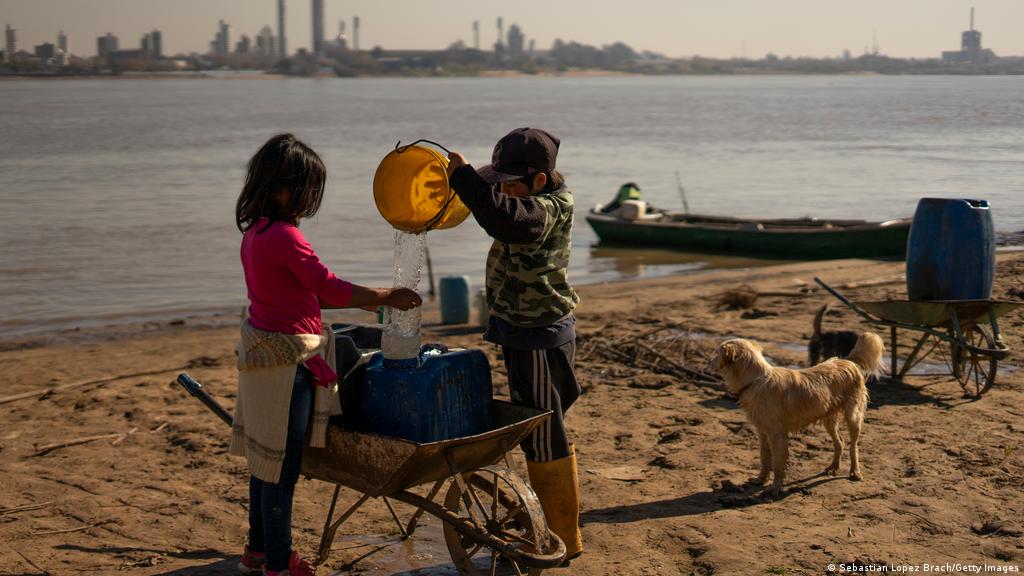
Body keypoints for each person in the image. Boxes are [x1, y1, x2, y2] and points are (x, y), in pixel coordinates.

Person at [231, 133, 422, 576]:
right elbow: (328, 287)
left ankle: (257, 550)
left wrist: (368, 301)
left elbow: (302, 295)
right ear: (283, 189)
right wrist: (386, 296)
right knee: (283, 468)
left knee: (264, 461)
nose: (308, 201)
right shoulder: (286, 237)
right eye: (306, 190)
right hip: (289, 364)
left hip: (263, 356)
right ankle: (279, 563)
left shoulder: (255, 233)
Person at [445, 127, 583, 562]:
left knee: (543, 429)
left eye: (511, 185)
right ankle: (556, 528)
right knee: (542, 419)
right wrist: (462, 185)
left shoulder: (550, 208)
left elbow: (507, 220)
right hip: (523, 328)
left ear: (540, 180)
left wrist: (465, 179)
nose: (503, 192)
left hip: (537, 331)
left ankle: (562, 537)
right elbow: (497, 209)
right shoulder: (526, 199)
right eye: (499, 184)